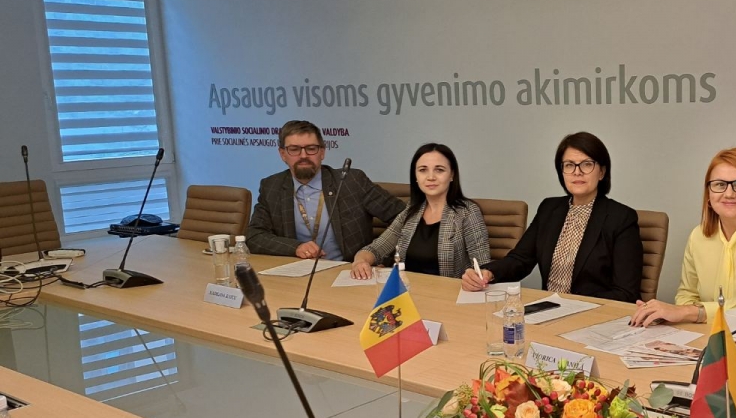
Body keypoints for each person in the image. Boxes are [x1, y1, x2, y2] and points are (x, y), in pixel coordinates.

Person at [630, 147, 736, 329]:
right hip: (714, 332)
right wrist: (669, 313)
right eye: (719, 185)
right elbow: (686, 296)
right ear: (709, 194)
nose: (729, 194)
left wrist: (688, 312)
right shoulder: (698, 236)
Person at [460, 132, 642, 302]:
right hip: (549, 309)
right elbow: (520, 260)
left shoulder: (621, 218)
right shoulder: (549, 209)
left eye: (587, 164)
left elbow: (626, 292)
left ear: (601, 172)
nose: (577, 172)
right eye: (569, 165)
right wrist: (487, 272)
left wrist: (576, 306)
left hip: (594, 314)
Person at [245, 120, 406, 260]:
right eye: (294, 149)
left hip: (350, 272)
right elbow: (254, 236)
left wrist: (379, 258)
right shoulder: (272, 186)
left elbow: (406, 218)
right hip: (297, 274)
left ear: (322, 152)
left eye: (311, 148)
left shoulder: (351, 181)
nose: (303, 155)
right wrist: (294, 247)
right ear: (282, 154)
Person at [350, 143, 489, 279]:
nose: (431, 177)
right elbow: (377, 248)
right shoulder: (411, 211)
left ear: (452, 175)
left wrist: (477, 277)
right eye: (423, 170)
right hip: (407, 290)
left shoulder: (467, 212)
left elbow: (483, 266)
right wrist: (360, 261)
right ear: (415, 177)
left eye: (439, 170)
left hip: (448, 292)